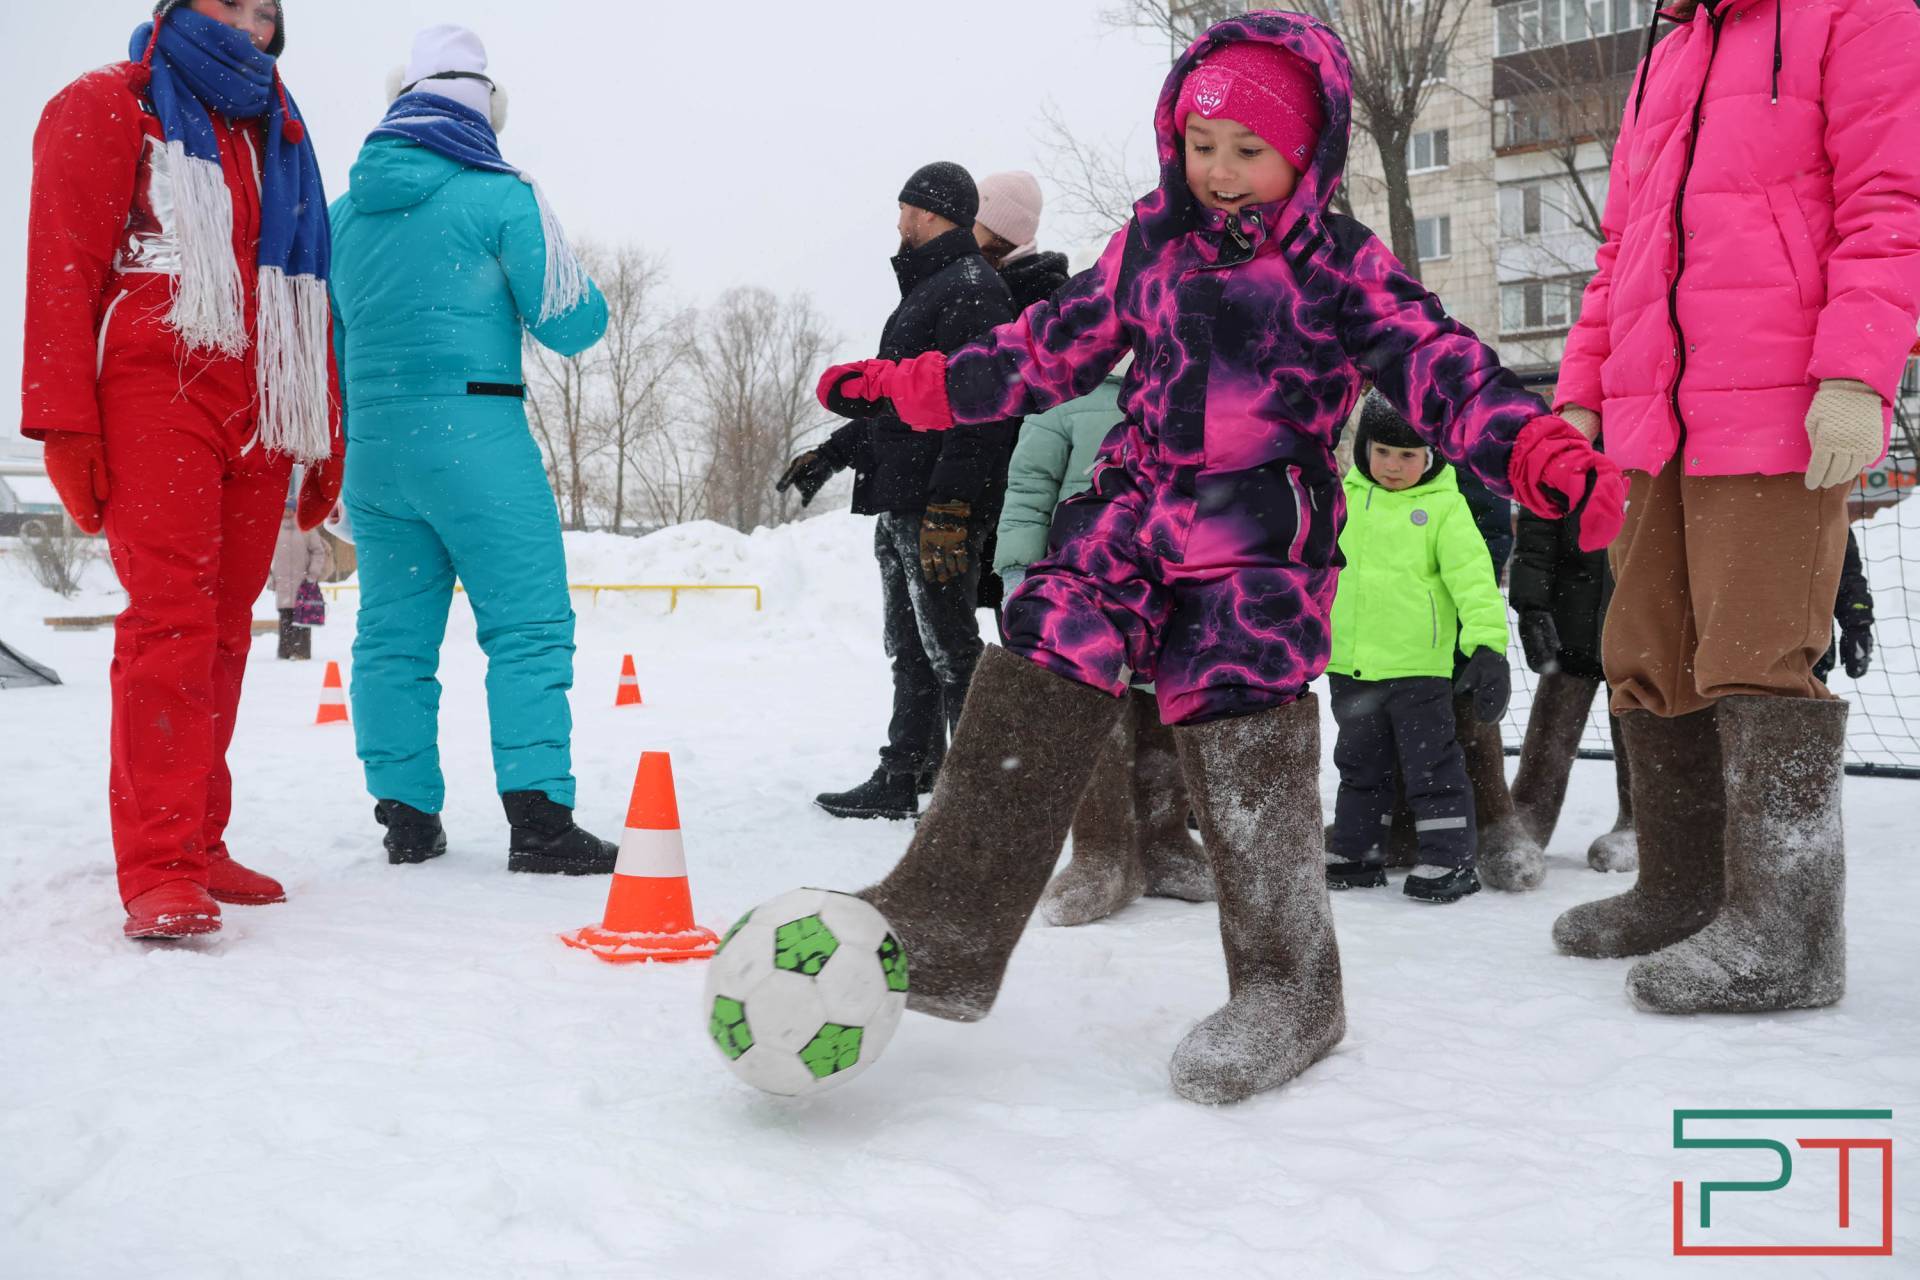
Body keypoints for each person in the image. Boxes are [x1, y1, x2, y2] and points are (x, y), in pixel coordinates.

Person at [813, 12, 1624, 1103]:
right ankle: (944, 919)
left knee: (1240, 706)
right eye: (1203, 148)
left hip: (1261, 537)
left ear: (1305, 154)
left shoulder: (1340, 265)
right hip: (1136, 504)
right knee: (1049, 640)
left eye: (1249, 151)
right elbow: (1047, 350)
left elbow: (1437, 364)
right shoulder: (1154, 239)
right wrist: (913, 387)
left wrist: (1533, 445)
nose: (1222, 173)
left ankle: (1291, 984)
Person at [1549, 0, 1920, 1013]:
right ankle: (1681, 889)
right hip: (1647, 415)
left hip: (1777, 405)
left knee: (1758, 654)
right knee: (1650, 647)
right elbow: (1620, 244)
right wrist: (1581, 390)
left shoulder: (1861, 14)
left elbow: (1892, 201)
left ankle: (1787, 935)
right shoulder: (1666, 50)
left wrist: (1855, 372)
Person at [23, 0, 338, 940]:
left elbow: (309, 288)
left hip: (261, 397)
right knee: (171, 617)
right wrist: (64, 425)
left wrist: (321, 423)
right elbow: (63, 266)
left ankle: (200, 838)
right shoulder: (109, 105)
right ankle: (157, 861)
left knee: (230, 626)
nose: (252, 25)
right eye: (232, 3)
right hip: (157, 381)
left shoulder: (280, 130)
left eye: (267, 12)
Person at [329, 26, 617, 874]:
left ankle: (406, 819)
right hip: (477, 438)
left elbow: (327, 342)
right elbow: (573, 324)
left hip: (376, 451)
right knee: (526, 628)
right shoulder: (500, 195)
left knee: (391, 636)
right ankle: (538, 820)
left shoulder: (343, 214)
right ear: (487, 107)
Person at [776, 163, 1020, 821]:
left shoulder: (971, 292)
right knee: (910, 646)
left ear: (930, 211)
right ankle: (907, 769)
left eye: (904, 209)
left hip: (936, 504)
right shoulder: (934, 290)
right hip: (904, 497)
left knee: (949, 649)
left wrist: (953, 506)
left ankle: (982, 794)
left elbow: (984, 411)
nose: (897, 222)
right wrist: (833, 454)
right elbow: (897, 402)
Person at [996, 366, 1215, 926]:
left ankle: (1165, 842)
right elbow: (1027, 491)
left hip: (1173, 577)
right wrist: (1019, 575)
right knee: (1099, 718)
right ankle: (1102, 854)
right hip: (1086, 585)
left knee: (1168, 713)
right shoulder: (1064, 401)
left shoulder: (1197, 392)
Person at [1324, 396, 1512, 903]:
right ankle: (1357, 853)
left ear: (1431, 456)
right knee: (1359, 765)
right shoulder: (1342, 499)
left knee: (1433, 767)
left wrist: (1488, 648)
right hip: (1352, 665)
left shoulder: (1445, 507)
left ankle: (1450, 859)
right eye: (1383, 451)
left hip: (1419, 669)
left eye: (1409, 456)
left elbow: (1474, 582)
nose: (1393, 466)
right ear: (1365, 448)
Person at [1508, 506, 1637, 872]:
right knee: (1550, 730)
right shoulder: (1560, 466)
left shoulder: (1650, 461)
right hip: (1569, 625)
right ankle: (1528, 817)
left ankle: (1639, 821)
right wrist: (1531, 605)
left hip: (1640, 630)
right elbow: (1535, 543)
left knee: (1640, 731)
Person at [975, 171, 1071, 619]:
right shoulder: (1016, 290)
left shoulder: (1023, 300)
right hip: (1012, 493)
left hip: (1020, 494)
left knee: (1024, 647)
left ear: (998, 230)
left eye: (974, 220)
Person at [271, 489, 334, 660]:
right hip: (282, 583)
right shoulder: (274, 530)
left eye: (290, 509)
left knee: (302, 620)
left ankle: (301, 652)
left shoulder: (306, 529)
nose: (287, 512)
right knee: (285, 618)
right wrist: (270, 578)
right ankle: (285, 653)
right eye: (284, 508)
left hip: (303, 583)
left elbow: (318, 552)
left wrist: (312, 574)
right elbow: (267, 556)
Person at [1812, 530, 1875, 684]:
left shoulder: (1819, 509)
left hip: (1807, 658)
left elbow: (1845, 570)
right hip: (1749, 657)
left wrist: (1857, 625)